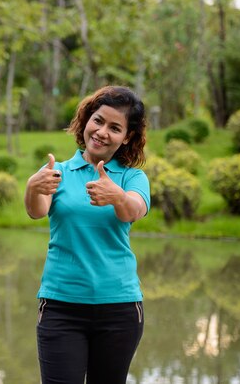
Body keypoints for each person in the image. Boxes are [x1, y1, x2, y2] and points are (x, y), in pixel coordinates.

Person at [24, 86, 150, 384]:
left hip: (119, 309)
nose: (102, 132)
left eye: (115, 127)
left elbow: (133, 210)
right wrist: (32, 187)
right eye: (98, 120)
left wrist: (116, 196)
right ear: (86, 120)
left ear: (127, 137)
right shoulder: (57, 172)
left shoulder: (132, 177)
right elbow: (37, 211)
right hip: (60, 307)